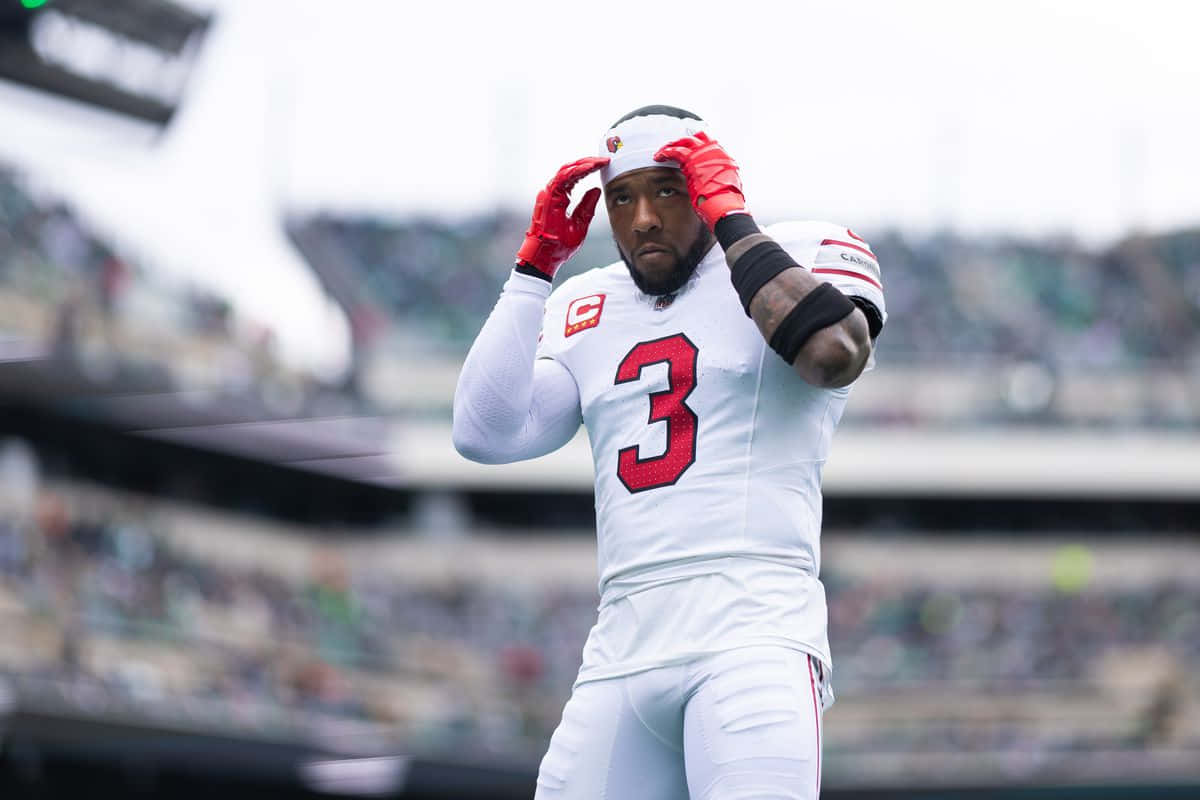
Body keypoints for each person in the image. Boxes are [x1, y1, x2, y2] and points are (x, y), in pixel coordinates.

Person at [453, 105, 886, 799]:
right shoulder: (586, 302)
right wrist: (533, 272)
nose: (644, 218)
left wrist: (733, 222)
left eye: (668, 189)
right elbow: (486, 433)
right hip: (621, 649)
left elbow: (831, 354)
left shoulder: (799, 251)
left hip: (752, 635)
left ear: (710, 185)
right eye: (622, 197)